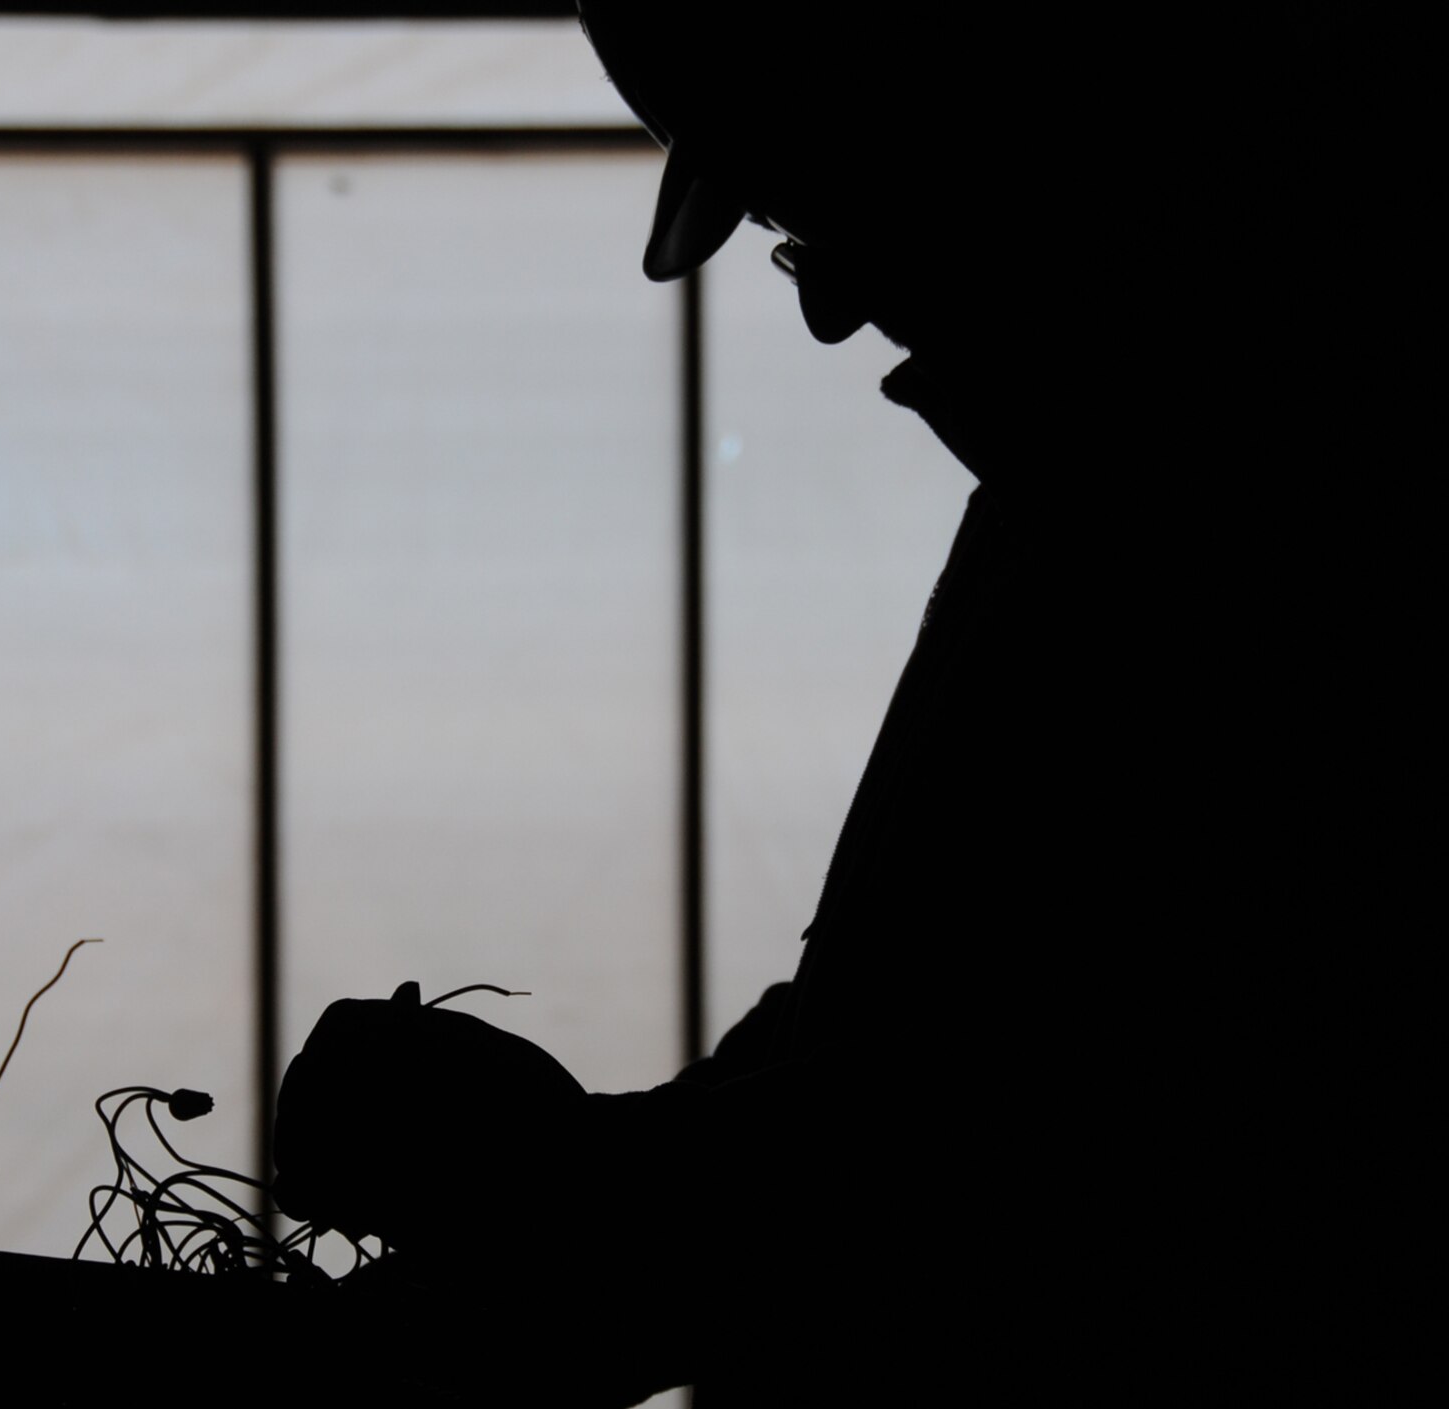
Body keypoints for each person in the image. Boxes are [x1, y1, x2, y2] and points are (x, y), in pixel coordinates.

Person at [271, 6, 1423, 1402]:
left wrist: (563, 1199)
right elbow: (885, 1031)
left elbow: (969, 1146)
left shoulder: (1212, 528)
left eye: (816, 214)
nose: (825, 310)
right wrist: (587, 1168)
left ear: (980, 130)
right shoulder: (1073, 501)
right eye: (793, 241)